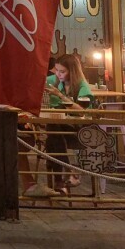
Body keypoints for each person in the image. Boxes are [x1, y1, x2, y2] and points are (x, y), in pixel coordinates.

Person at [44, 54, 92, 194]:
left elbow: (82, 111)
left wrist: (60, 96)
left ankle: (62, 177)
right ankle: (66, 173)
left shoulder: (82, 86)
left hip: (78, 130)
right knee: (53, 132)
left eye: (62, 71)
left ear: (72, 71)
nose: (58, 74)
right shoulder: (54, 80)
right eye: (57, 70)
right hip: (57, 128)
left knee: (52, 136)